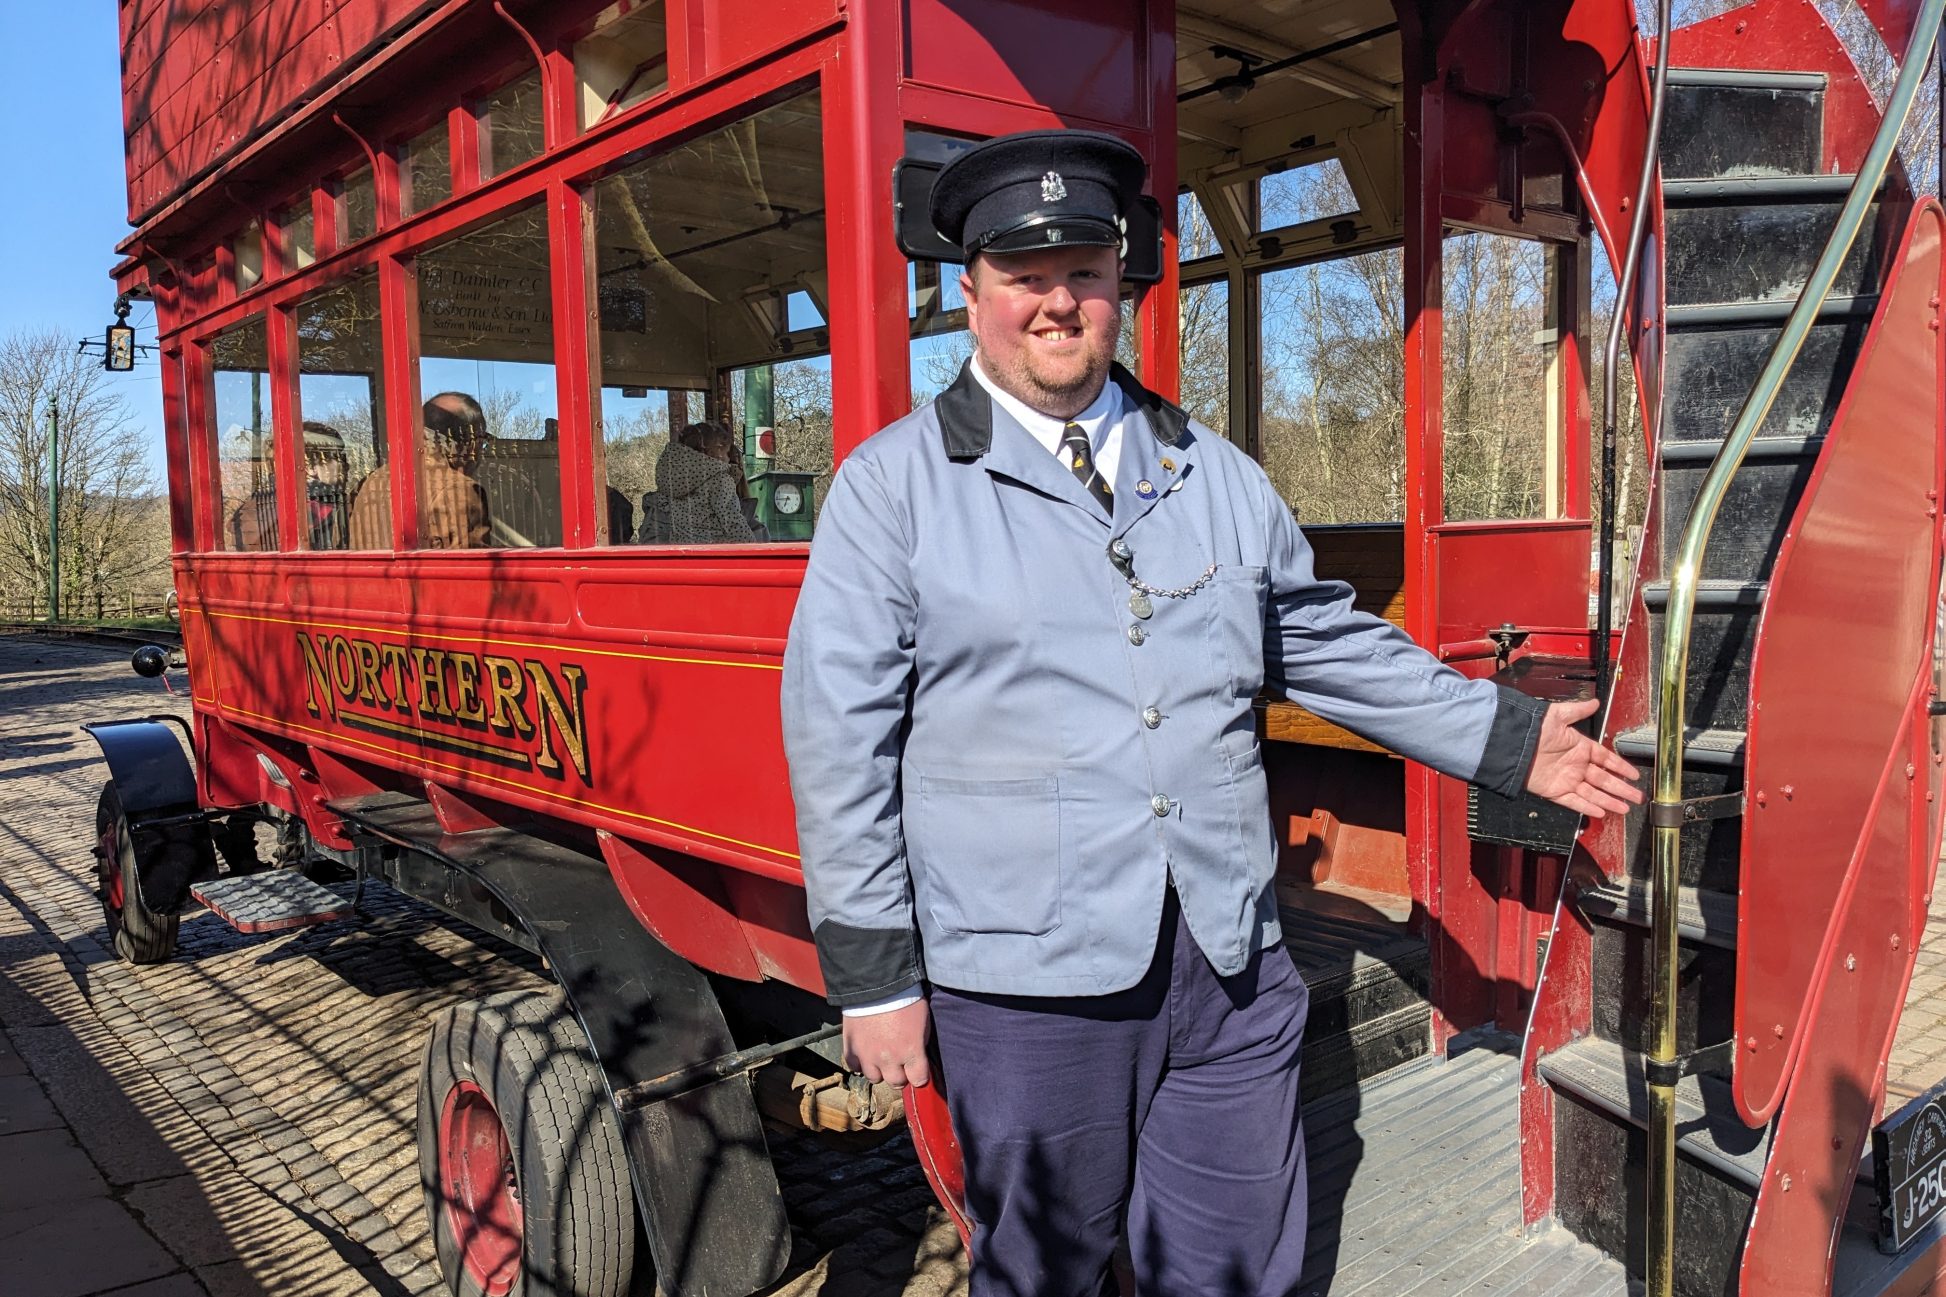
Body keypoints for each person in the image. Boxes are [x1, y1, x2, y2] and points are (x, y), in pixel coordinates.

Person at [779, 130, 1642, 1297]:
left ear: (1119, 287)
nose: (1056, 303)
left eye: (1082, 270)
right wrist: (877, 981)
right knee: (1043, 1271)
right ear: (970, 293)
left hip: (1224, 961)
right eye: (1023, 277)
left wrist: (1505, 737)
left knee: (1235, 1265)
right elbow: (840, 740)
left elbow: (1320, 644)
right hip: (1026, 981)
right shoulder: (892, 488)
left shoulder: (1211, 474)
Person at [347, 392, 490, 549]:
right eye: (482, 441)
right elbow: (471, 567)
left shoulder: (367, 483)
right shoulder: (460, 490)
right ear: (468, 440)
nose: (479, 452)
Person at [657, 421, 763, 543]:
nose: (728, 459)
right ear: (716, 452)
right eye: (726, 452)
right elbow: (733, 521)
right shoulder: (720, 481)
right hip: (715, 552)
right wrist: (751, 546)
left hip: (683, 551)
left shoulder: (673, 480)